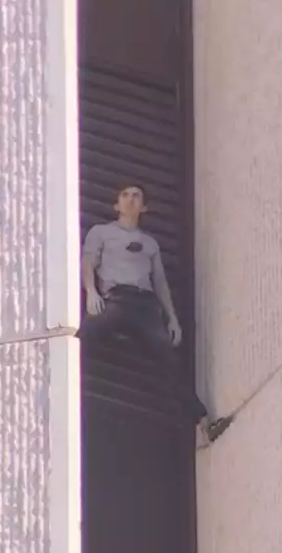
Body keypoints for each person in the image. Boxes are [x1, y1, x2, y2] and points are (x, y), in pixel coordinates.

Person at [77, 184, 215, 434]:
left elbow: (160, 282)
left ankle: (201, 421)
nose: (131, 199)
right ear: (116, 205)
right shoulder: (101, 232)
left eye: (136, 196)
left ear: (144, 207)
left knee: (168, 359)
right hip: (115, 299)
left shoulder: (150, 243)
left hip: (145, 305)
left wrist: (172, 318)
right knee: (82, 338)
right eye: (125, 195)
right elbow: (88, 262)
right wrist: (91, 292)